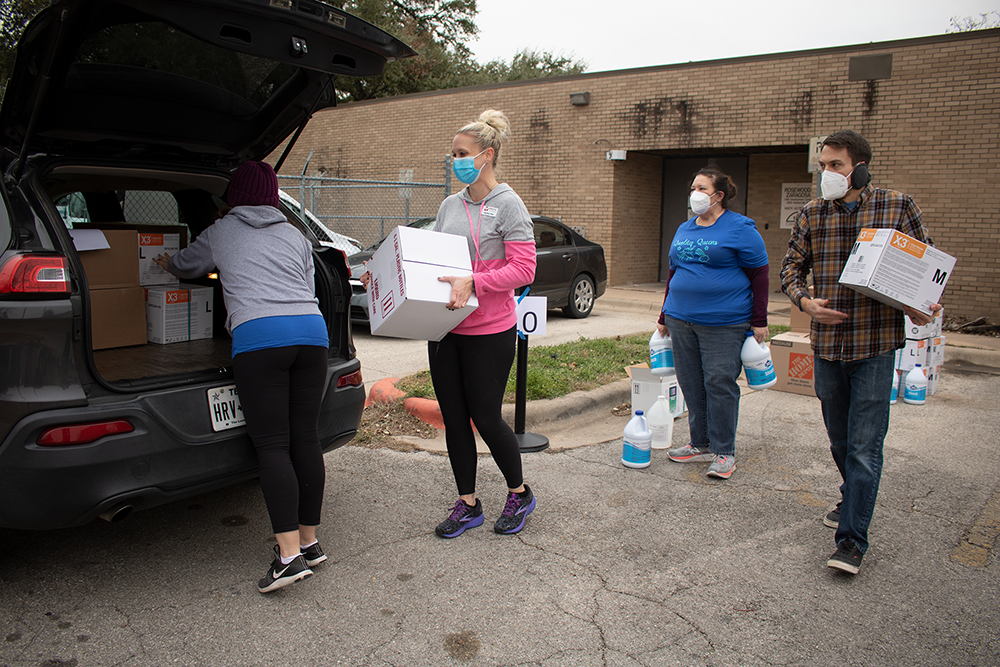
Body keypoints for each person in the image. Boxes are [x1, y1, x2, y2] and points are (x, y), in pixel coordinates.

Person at [153, 161, 330, 593]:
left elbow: (187, 265)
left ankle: (287, 559)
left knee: (272, 445)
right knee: (305, 438)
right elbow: (306, 285)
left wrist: (166, 261)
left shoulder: (221, 231)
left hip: (260, 337)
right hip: (312, 332)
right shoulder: (295, 233)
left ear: (233, 195)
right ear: (272, 195)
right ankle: (309, 544)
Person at [780, 130, 941, 575]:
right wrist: (805, 302)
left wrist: (925, 305)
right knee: (841, 440)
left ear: (861, 167)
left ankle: (851, 540)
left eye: (835, 165)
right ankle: (852, 495)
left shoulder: (897, 206)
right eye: (822, 166)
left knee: (865, 446)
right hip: (828, 346)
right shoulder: (811, 214)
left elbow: (925, 270)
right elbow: (791, 268)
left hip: (875, 344)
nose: (826, 173)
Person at [427, 109, 538, 537]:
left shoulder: (509, 205)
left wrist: (474, 279)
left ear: (486, 156)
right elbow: (433, 258)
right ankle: (467, 503)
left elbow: (523, 271)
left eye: (461, 153)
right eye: (452, 153)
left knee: (486, 418)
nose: (454, 160)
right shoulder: (449, 206)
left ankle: (519, 492)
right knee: (455, 419)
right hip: (446, 331)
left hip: (490, 331)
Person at [657, 168, 769, 480]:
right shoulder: (685, 227)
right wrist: (664, 315)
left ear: (718, 195)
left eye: (702, 187)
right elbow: (673, 272)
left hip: (724, 322)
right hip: (681, 319)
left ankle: (724, 451)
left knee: (719, 383)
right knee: (691, 382)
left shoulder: (740, 228)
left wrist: (759, 320)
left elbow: (759, 275)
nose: (694, 192)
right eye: (693, 186)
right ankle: (700, 443)